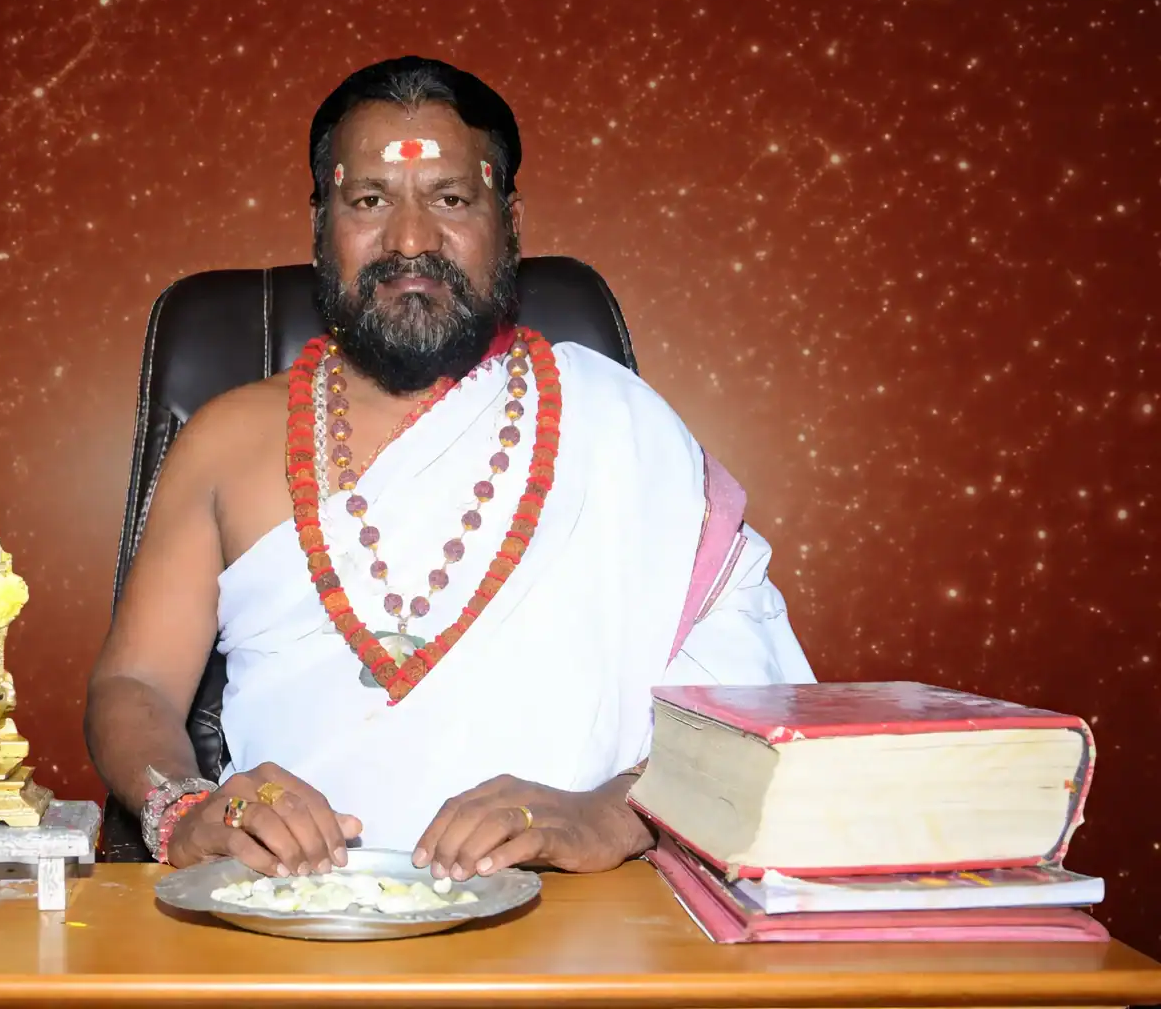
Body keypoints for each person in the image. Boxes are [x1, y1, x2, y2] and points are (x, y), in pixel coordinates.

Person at [85, 55, 814, 883]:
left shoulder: (623, 425)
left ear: (509, 219)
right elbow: (135, 683)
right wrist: (183, 806)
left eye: (451, 199)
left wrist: (605, 816)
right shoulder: (224, 441)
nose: (409, 241)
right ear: (321, 220)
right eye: (369, 200)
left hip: (580, 920)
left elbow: (748, 716)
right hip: (291, 918)